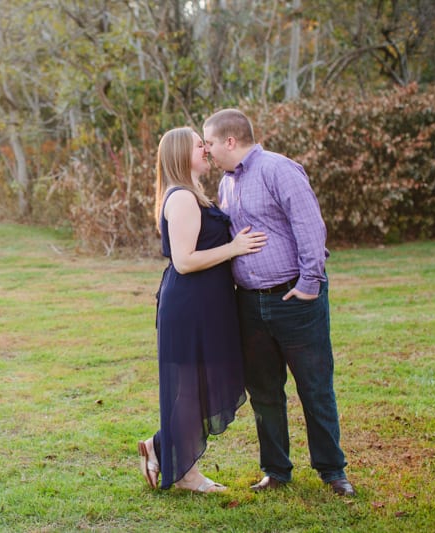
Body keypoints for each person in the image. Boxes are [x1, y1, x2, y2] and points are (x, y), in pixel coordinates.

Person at [202, 109, 356, 496]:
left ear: (230, 141)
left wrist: (308, 283)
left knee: (315, 386)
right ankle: (276, 471)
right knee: (265, 391)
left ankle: (332, 471)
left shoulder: (278, 169)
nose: (207, 150)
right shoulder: (227, 183)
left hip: (294, 299)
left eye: (210, 143)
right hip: (250, 305)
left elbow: (309, 225)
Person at [137, 127, 267, 492]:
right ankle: (185, 473)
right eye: (199, 145)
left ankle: (160, 447)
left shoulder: (196, 194)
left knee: (203, 383)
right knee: (192, 387)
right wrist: (235, 248)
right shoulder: (180, 198)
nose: (206, 150)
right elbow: (184, 261)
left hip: (208, 302)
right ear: (182, 154)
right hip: (190, 304)